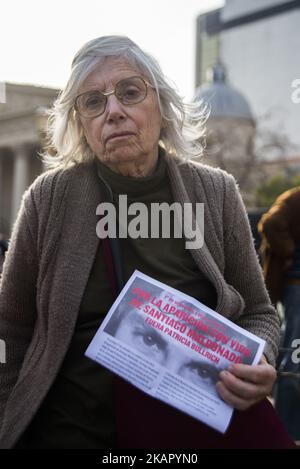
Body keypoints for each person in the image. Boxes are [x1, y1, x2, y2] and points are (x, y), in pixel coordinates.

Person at [0, 35, 289, 449]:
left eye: (130, 92)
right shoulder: (48, 199)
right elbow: (8, 329)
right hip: (72, 434)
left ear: (162, 104)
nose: (113, 112)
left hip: (192, 435)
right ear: (80, 122)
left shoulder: (216, 191)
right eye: (93, 102)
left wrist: (259, 360)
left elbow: (260, 311)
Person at [258, 186, 300, 441]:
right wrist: (288, 251)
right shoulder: (295, 198)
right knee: (295, 360)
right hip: (296, 288)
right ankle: (284, 432)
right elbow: (270, 222)